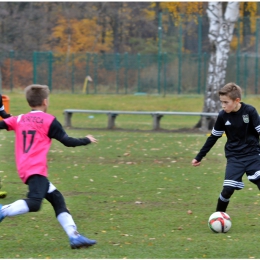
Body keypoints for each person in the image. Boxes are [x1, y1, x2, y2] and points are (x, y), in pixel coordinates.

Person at [0, 84, 97, 249]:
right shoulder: (49, 121)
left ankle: (74, 237)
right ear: (45, 102)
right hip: (35, 169)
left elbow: (5, 121)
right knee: (35, 203)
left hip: (25, 168)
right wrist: (85, 140)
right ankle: (2, 211)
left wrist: (2, 112)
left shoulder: (20, 118)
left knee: (57, 199)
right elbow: (67, 141)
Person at [191, 82, 260, 213]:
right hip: (235, 157)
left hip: (253, 155)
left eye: (226, 102)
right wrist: (199, 156)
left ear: (237, 100)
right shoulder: (223, 116)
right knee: (228, 190)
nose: (223, 105)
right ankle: (219, 216)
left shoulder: (250, 111)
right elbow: (213, 137)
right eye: (221, 102)